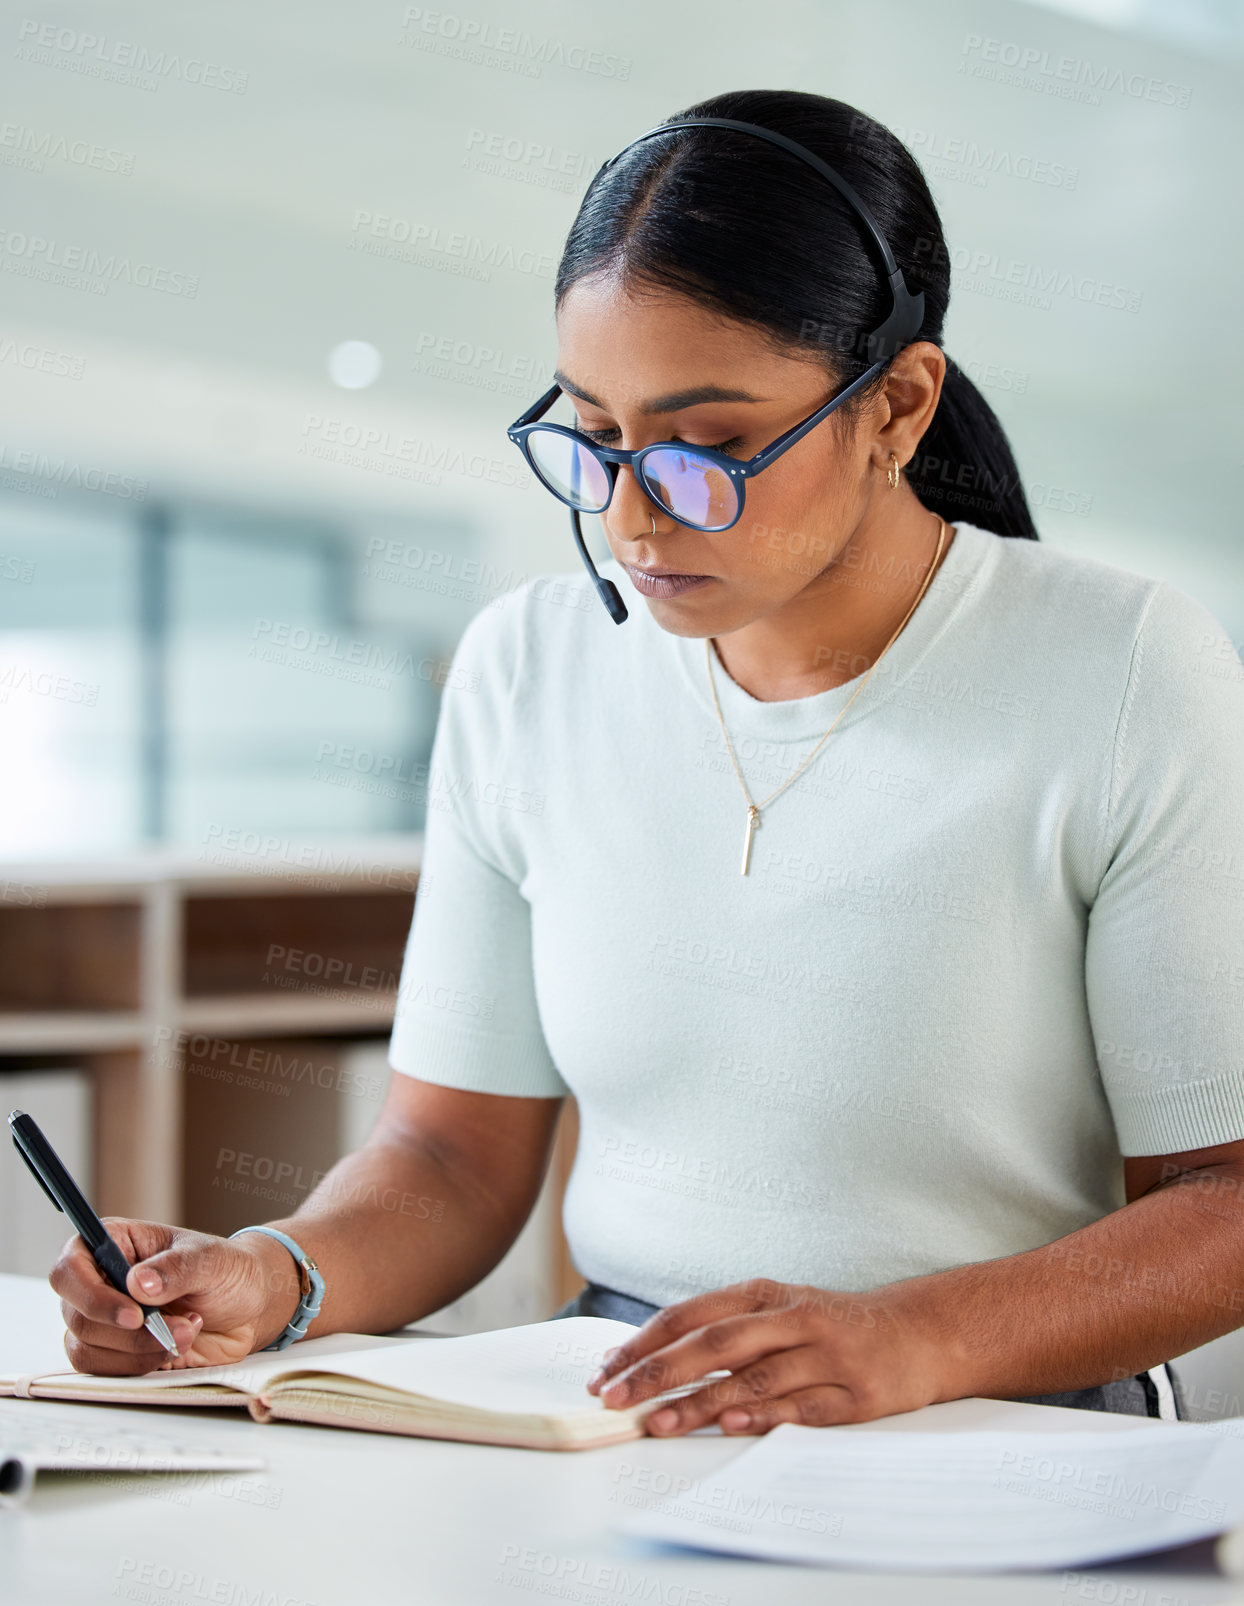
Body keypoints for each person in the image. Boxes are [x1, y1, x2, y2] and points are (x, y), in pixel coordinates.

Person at [52, 89, 1244, 1437]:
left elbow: (1225, 1198)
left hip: (1009, 1426)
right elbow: (449, 1155)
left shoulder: (1128, 666)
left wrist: (915, 1339)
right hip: (618, 1417)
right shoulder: (527, 670)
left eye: (710, 446)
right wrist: (279, 1271)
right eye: (598, 437)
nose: (629, 514)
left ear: (900, 409)